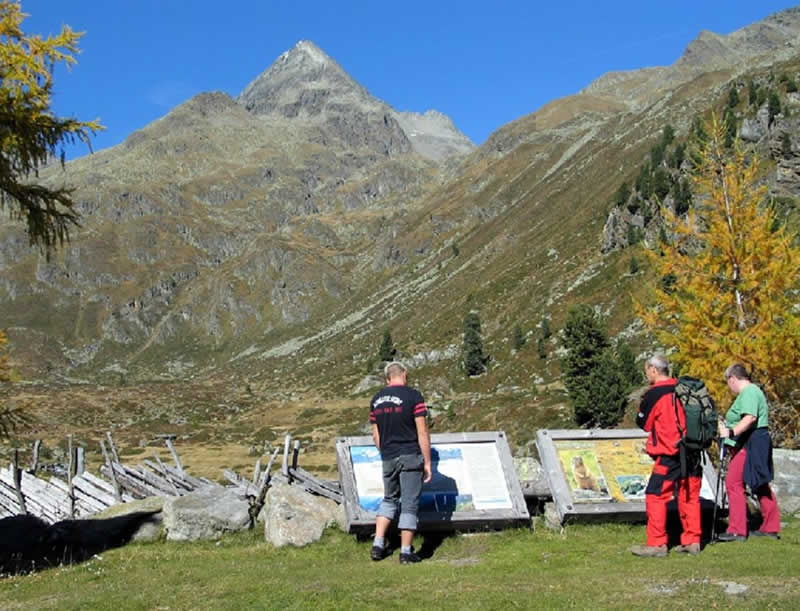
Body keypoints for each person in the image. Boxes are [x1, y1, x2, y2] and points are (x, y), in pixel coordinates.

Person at [631, 354, 702, 557]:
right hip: (693, 451)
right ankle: (692, 540)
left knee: (655, 494)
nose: (647, 374)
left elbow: (643, 424)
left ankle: (657, 544)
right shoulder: (685, 389)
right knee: (689, 495)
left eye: (647, 370)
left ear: (653, 370)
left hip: (669, 452)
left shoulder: (655, 394)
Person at [369, 361, 432, 564]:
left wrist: (386, 452)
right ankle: (406, 552)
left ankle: (378, 544)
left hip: (388, 456)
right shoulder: (413, 396)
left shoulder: (376, 400)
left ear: (387, 378)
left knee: (389, 499)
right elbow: (422, 431)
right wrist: (427, 462)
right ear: (403, 374)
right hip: (410, 454)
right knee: (409, 504)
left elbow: (376, 435)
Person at [716, 364, 781, 541]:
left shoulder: (750, 392)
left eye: (728, 382)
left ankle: (737, 529)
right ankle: (771, 527)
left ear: (733, 379)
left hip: (751, 441)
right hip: (754, 440)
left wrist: (730, 432)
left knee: (734, 482)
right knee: (759, 482)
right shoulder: (753, 391)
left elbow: (750, 417)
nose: (729, 387)